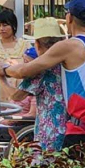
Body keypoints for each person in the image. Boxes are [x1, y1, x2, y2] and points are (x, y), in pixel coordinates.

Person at [0, 0, 85, 157]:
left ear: (69, 18)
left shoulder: (69, 46)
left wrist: (4, 69)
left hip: (82, 129)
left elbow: (24, 72)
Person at [16, 17, 68, 155]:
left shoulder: (40, 68)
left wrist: (1, 76)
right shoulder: (68, 62)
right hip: (70, 129)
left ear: (37, 44)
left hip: (48, 132)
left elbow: (16, 96)